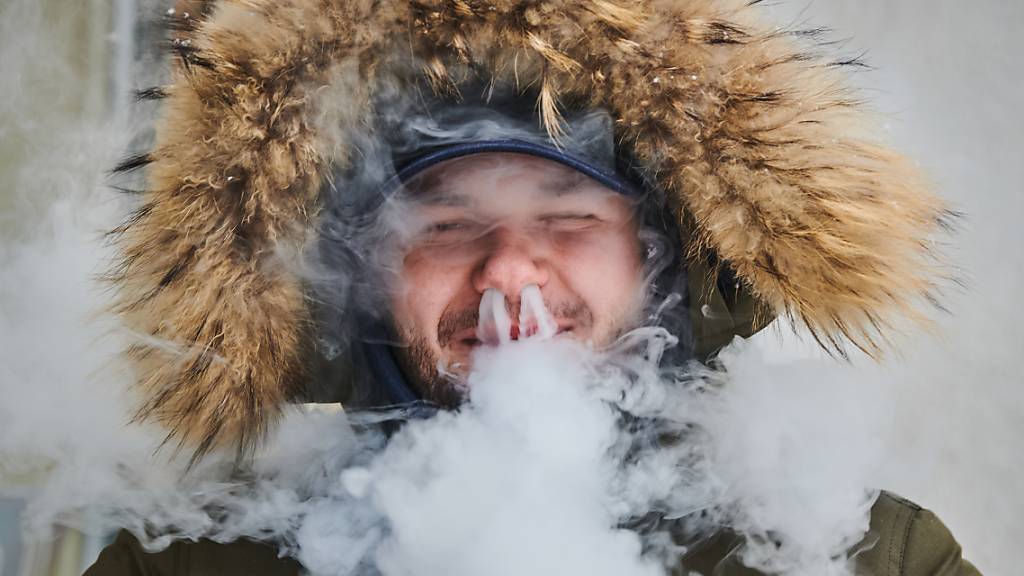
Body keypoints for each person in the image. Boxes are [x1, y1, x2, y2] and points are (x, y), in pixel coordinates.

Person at [86, 0, 978, 574]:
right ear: (357, 282)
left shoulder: (868, 557)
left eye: (570, 218)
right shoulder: (185, 561)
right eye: (444, 225)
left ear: (663, 266)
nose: (510, 269)